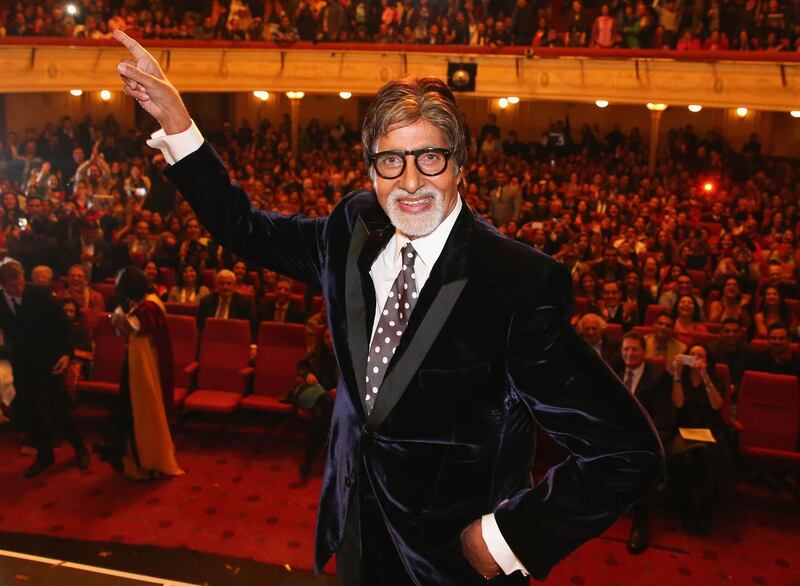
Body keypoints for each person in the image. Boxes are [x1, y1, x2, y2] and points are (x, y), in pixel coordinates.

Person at [115, 31, 663, 583]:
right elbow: (245, 228)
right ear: (371, 170)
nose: (410, 182)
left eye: (429, 158)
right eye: (391, 161)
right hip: (354, 526)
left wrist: (506, 536)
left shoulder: (514, 281)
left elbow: (627, 450)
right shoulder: (353, 227)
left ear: (459, 166)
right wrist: (180, 126)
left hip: (454, 561)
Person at [0, 258, 89, 478]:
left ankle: (79, 448)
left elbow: (64, 326)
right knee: (32, 412)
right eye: (13, 287)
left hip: (49, 361)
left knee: (58, 407)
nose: (19, 289)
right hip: (22, 364)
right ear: (3, 285)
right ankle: (45, 454)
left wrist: (67, 354)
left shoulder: (40, 294)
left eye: (20, 282)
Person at [97, 266, 184, 480]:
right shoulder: (143, 304)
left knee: (144, 410)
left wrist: (118, 317)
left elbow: (136, 327)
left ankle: (149, 461)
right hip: (136, 363)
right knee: (131, 409)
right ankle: (136, 461)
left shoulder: (150, 306)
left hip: (145, 366)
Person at [616, 332, 674, 554]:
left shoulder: (659, 377)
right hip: (613, 433)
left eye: (635, 350)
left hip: (644, 436)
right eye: (626, 350)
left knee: (639, 460)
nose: (629, 354)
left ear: (645, 352)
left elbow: (662, 416)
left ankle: (640, 522)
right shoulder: (612, 369)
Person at [670, 343, 735, 536]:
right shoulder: (680, 377)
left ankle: (705, 509)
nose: (696, 358)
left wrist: (705, 376)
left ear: (707, 361)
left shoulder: (714, 377)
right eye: (692, 355)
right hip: (685, 428)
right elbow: (678, 404)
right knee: (683, 457)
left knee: (708, 457)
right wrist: (676, 374)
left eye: (701, 356)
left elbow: (717, 406)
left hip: (709, 429)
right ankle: (686, 506)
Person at [290, 326, 338, 478]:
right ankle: (329, 453)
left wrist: (339, 390)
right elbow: (301, 366)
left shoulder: (345, 356)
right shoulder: (316, 355)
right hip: (312, 395)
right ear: (322, 340)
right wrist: (307, 374)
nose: (330, 341)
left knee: (318, 415)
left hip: (330, 400)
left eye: (332, 337)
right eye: (326, 338)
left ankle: (308, 462)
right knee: (325, 402)